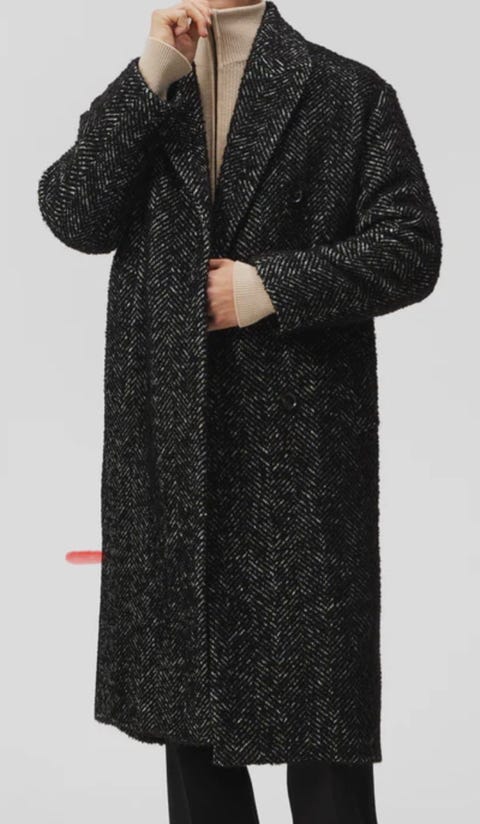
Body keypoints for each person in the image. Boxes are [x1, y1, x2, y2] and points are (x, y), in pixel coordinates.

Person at [37, 1, 442, 822]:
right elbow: (75, 214)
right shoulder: (151, 90)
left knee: (323, 729)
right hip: (169, 442)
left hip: (301, 450)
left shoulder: (346, 92)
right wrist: (152, 71)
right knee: (189, 724)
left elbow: (411, 247)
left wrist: (266, 289)